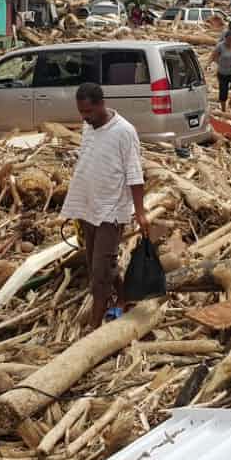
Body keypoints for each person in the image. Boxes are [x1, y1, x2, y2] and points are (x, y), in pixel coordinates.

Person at [60, 83, 151, 329]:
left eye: (88, 111)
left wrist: (140, 213)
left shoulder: (124, 132)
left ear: (101, 104)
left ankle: (93, 326)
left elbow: (134, 174)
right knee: (98, 264)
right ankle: (124, 297)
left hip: (112, 211)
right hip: (88, 207)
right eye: (81, 112)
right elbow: (88, 160)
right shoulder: (88, 127)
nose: (85, 117)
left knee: (99, 275)